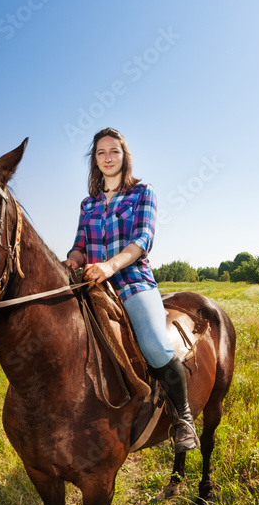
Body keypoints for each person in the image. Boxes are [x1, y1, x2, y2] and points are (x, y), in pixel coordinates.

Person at [64, 128, 199, 453]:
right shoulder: (88, 204)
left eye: (114, 151)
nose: (108, 157)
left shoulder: (142, 192)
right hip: (90, 284)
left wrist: (110, 266)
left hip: (133, 282)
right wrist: (72, 259)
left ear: (124, 157)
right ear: (94, 160)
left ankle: (183, 419)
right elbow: (80, 245)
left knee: (154, 345)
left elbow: (143, 240)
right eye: (101, 153)